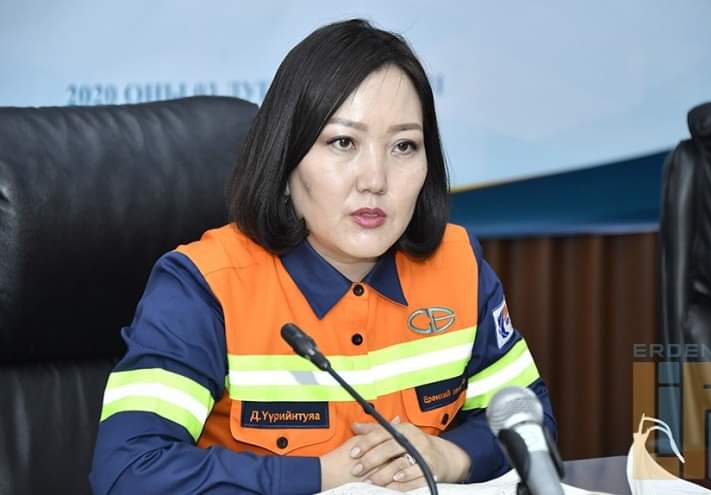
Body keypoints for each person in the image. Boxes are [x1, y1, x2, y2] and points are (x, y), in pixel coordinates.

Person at [90, 18, 556, 495]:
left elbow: (529, 418)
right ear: (286, 159)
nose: (375, 180)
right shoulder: (203, 286)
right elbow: (129, 472)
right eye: (343, 143)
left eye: (403, 146)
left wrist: (447, 457)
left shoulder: (457, 265)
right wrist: (322, 476)